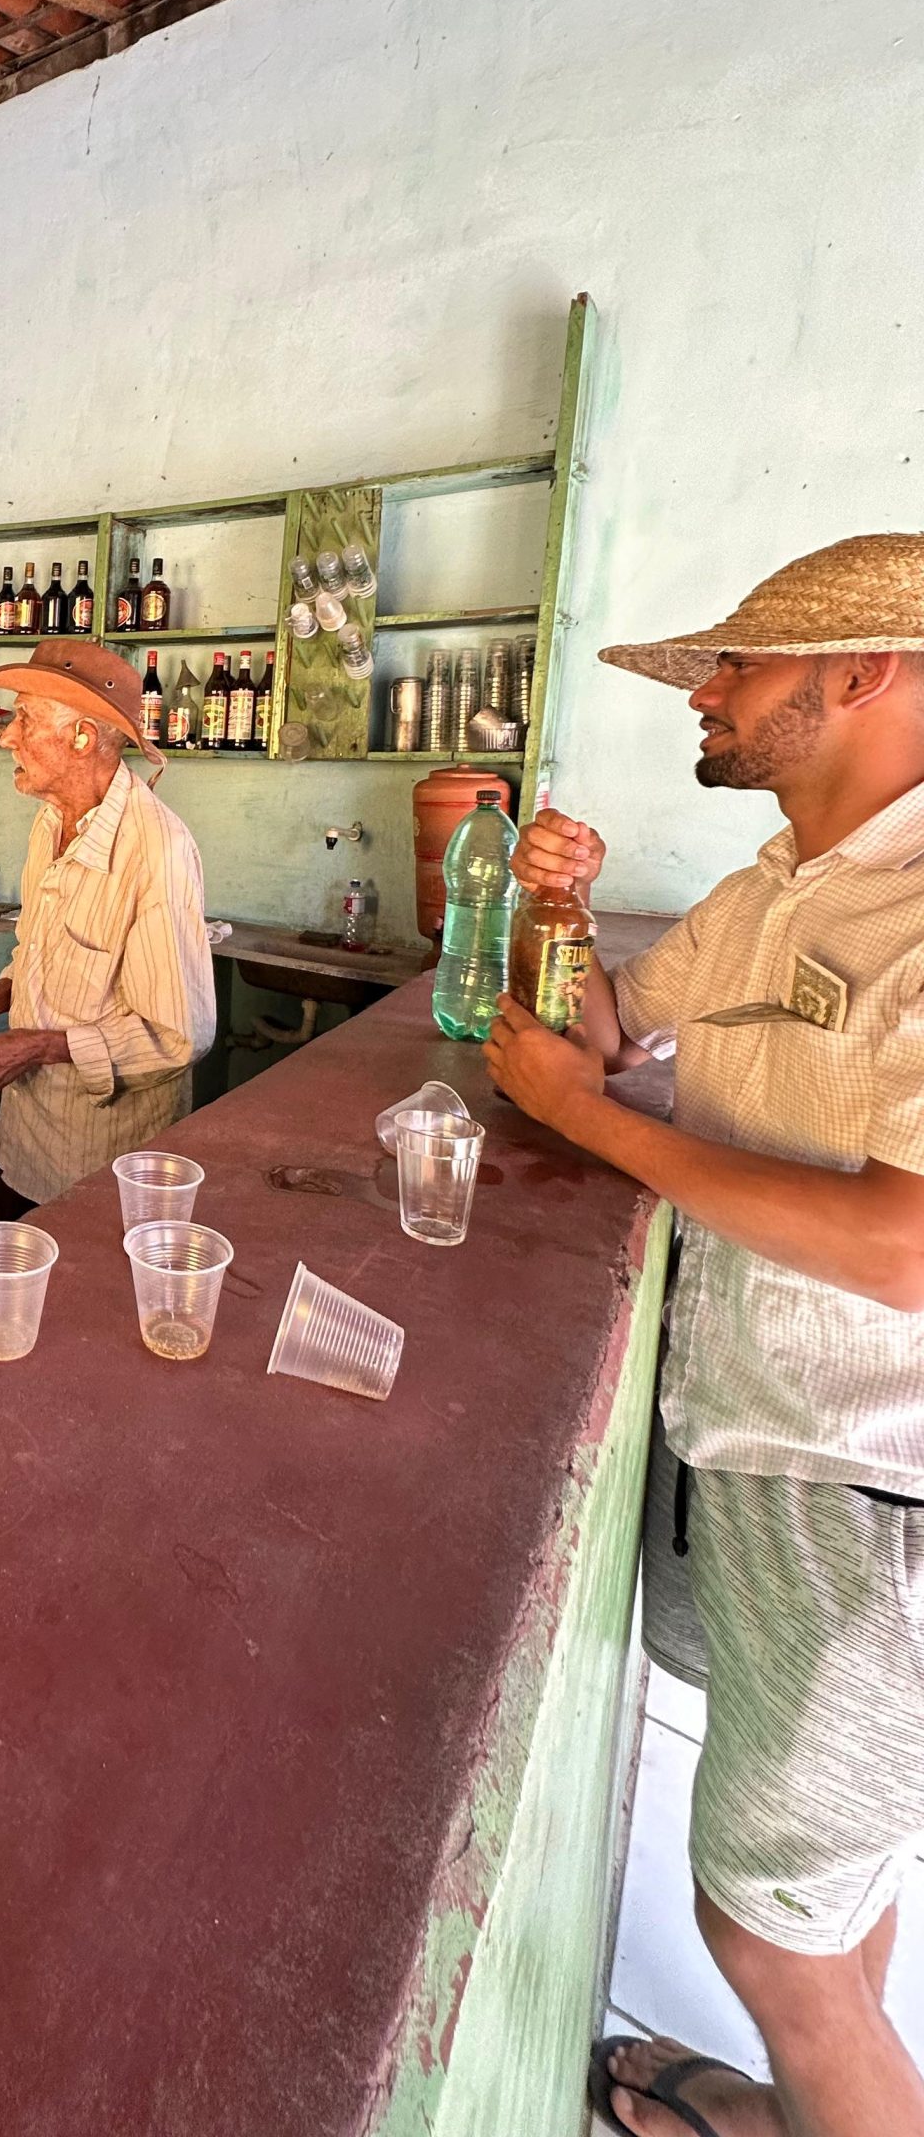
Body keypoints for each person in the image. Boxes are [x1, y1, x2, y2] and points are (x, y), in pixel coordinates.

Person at [481, 534, 924, 2137]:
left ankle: (827, 2086)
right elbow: (615, 1035)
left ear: (862, 673)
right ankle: (782, 2107)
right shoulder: (761, 892)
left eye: (736, 669)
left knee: (769, 1935)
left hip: (864, 1494)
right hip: (743, 1436)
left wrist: (598, 1133)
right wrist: (564, 920)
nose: (711, 696)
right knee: (812, 1890)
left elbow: (905, 1246)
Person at [0, 638, 215, 1205]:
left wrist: (38, 1048)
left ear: (82, 737)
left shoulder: (155, 850)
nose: (6, 736)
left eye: (23, 719)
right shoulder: (51, 821)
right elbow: (41, 949)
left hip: (105, 1162)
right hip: (31, 1136)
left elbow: (178, 1037)